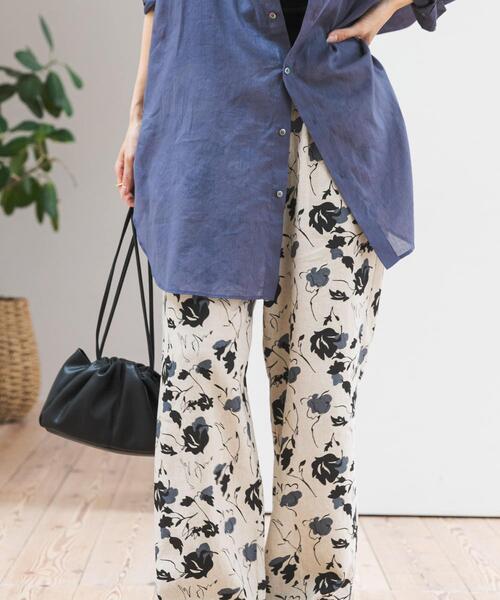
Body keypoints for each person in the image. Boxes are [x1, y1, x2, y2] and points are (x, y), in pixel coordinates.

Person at [115, 1, 454, 598]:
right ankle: (208, 586)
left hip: (335, 144)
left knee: (321, 390)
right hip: (207, 135)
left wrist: (386, 10)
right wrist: (139, 114)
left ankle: (313, 584)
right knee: (199, 378)